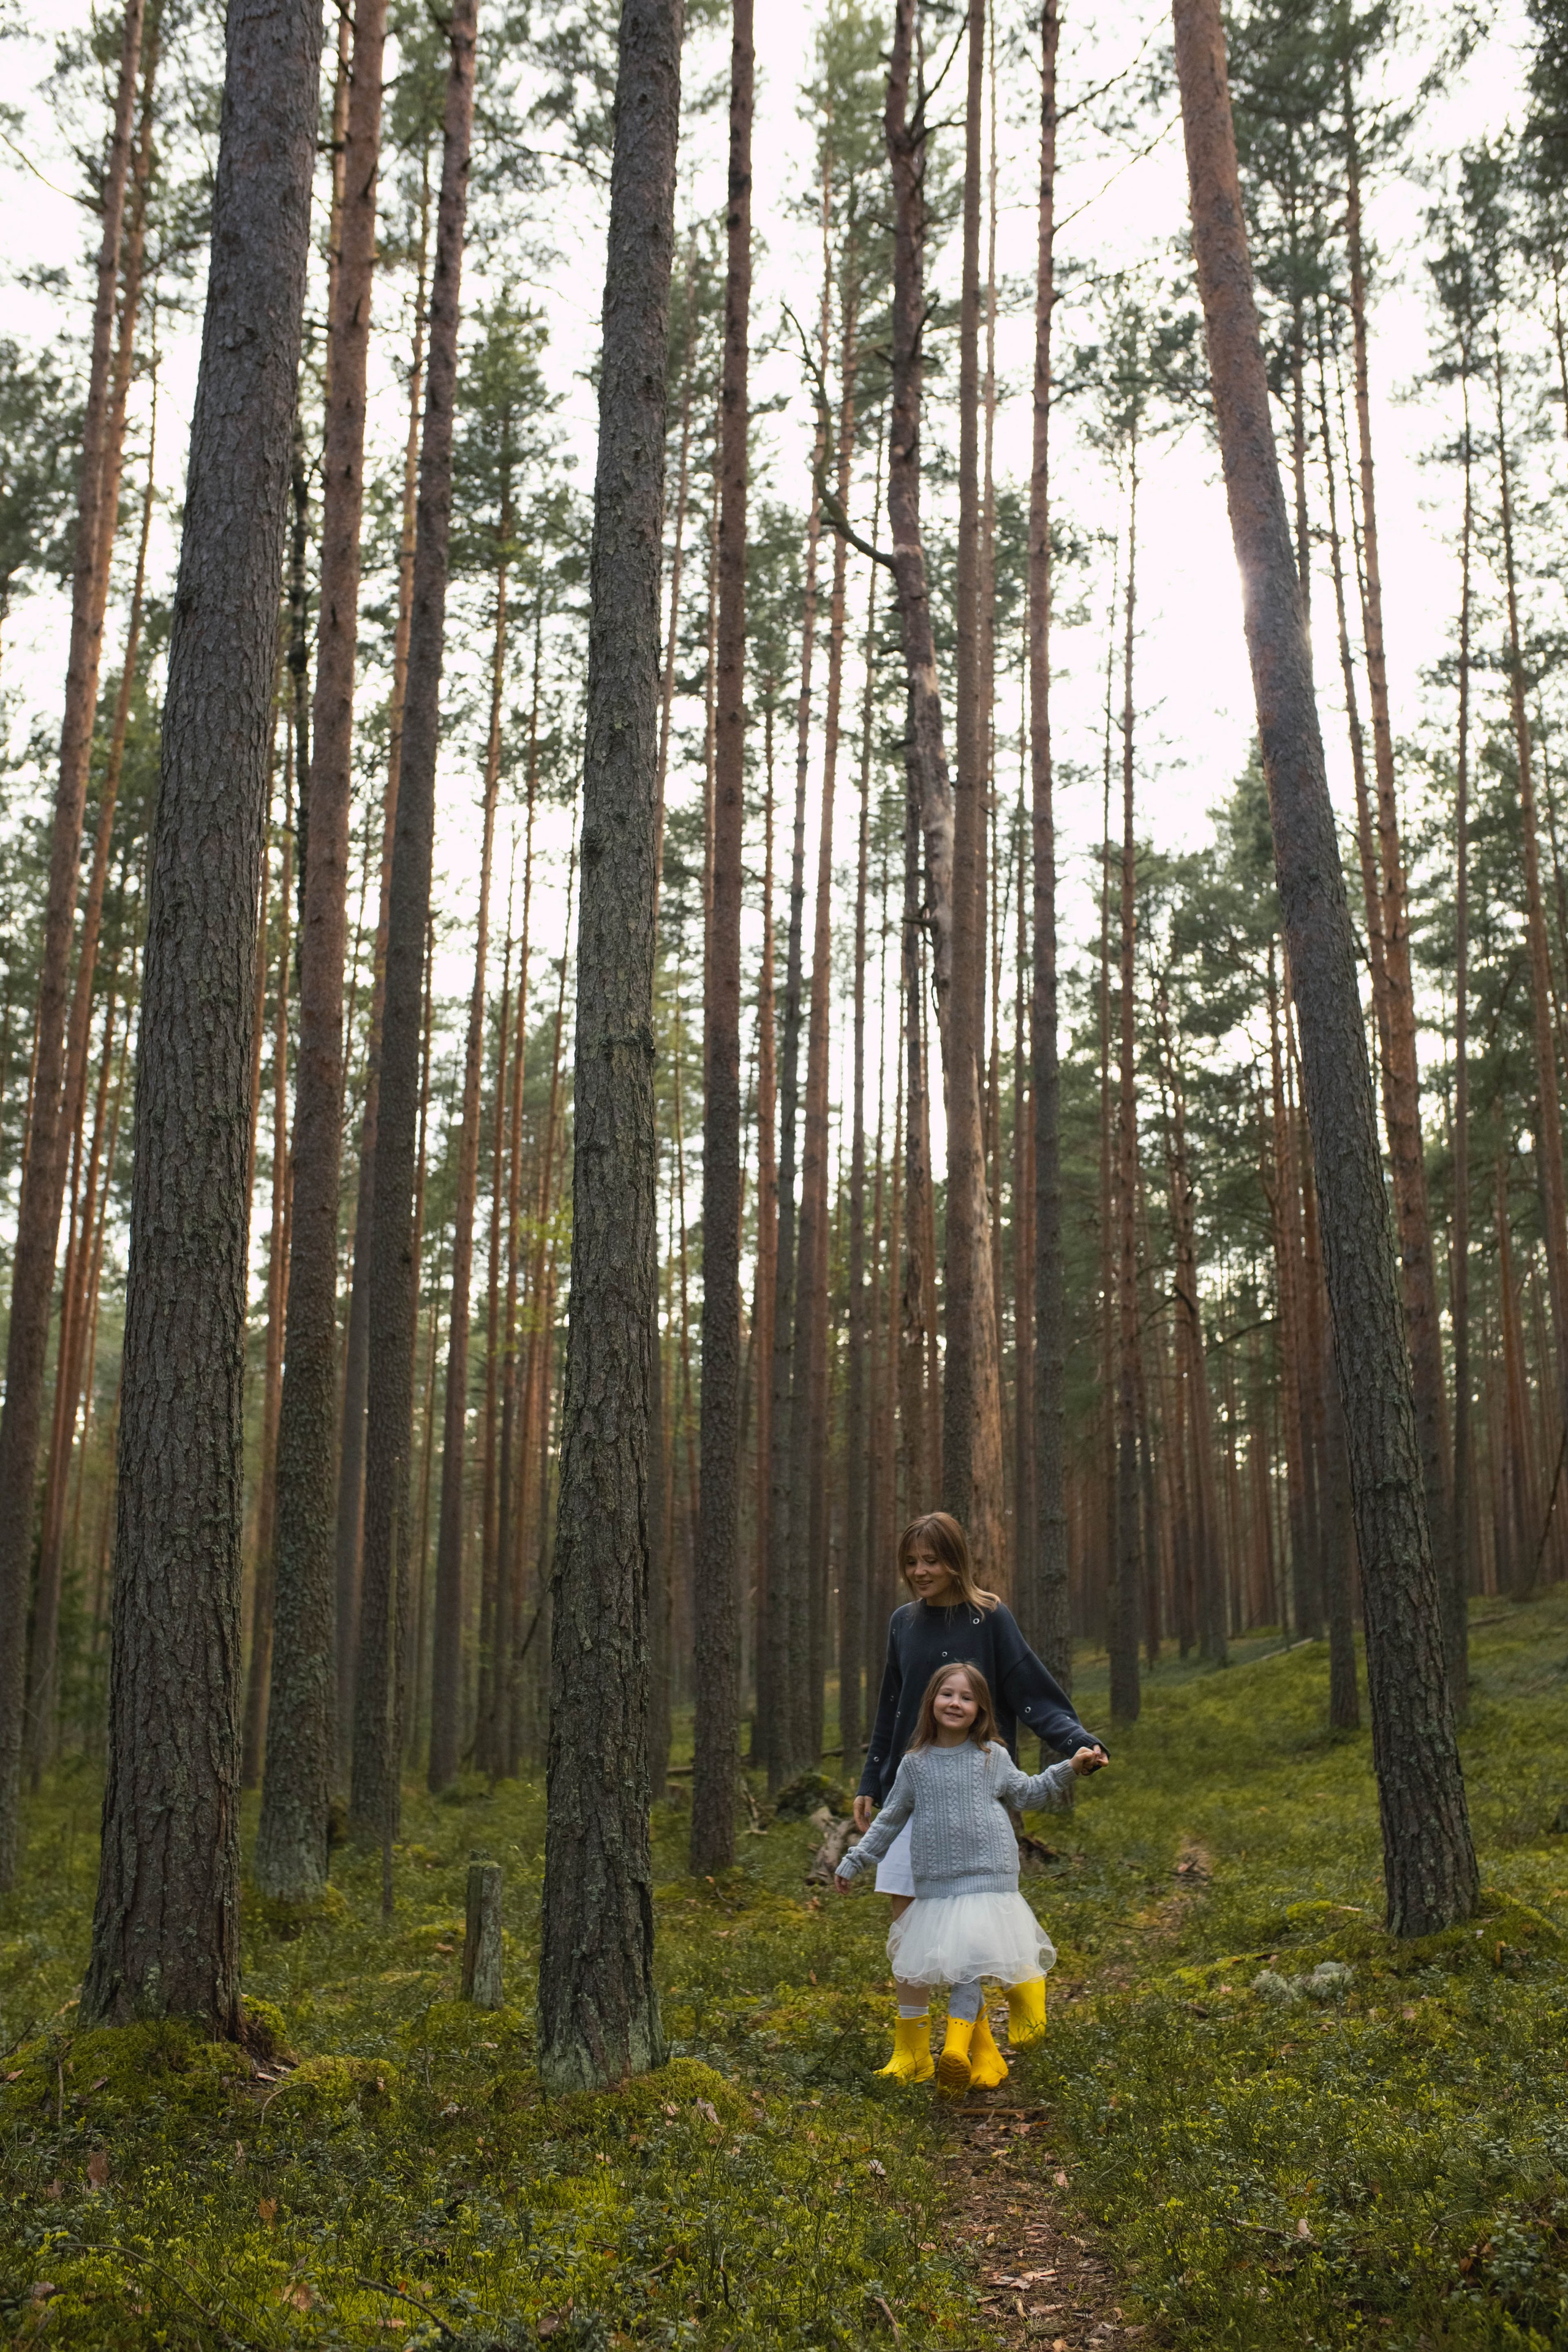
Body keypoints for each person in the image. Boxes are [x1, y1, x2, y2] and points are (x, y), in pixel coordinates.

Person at [855, 1512, 1106, 2008]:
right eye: (911, 1562)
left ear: (955, 1561)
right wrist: (871, 1779)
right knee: (909, 1922)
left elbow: (1031, 1690)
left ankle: (973, 2038)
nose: (920, 1571)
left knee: (974, 1924)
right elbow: (892, 1706)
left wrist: (1076, 1742)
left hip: (974, 1787)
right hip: (912, 1785)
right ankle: (914, 2049)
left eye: (931, 1560)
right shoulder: (902, 1622)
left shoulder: (988, 1616)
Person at [835, 1662, 1107, 2095]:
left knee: (971, 1966)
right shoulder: (915, 1765)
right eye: (947, 1694)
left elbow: (1028, 1791)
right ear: (932, 1702)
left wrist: (1070, 1767)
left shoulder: (991, 1758)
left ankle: (957, 2050)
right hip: (939, 1884)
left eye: (967, 1697)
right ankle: (951, 2055)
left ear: (980, 1709)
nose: (956, 1703)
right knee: (961, 1963)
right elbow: (888, 1821)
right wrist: (855, 1859)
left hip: (990, 1877)